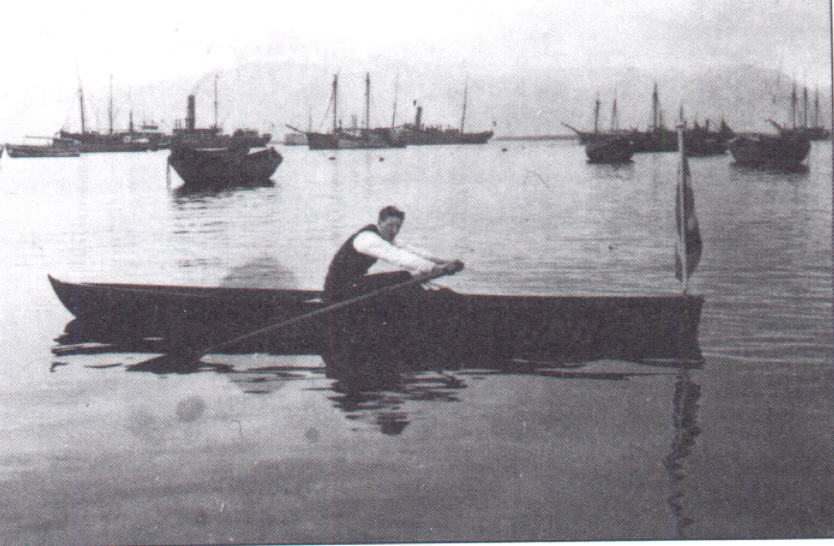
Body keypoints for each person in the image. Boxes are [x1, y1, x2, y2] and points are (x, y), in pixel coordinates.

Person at [323, 205, 463, 302]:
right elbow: (398, 257)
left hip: (353, 285)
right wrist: (433, 268)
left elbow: (410, 250)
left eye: (398, 226)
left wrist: (443, 262)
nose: (394, 231)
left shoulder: (383, 237)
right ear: (380, 222)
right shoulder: (367, 239)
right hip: (337, 293)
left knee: (403, 277)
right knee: (403, 276)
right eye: (390, 226)